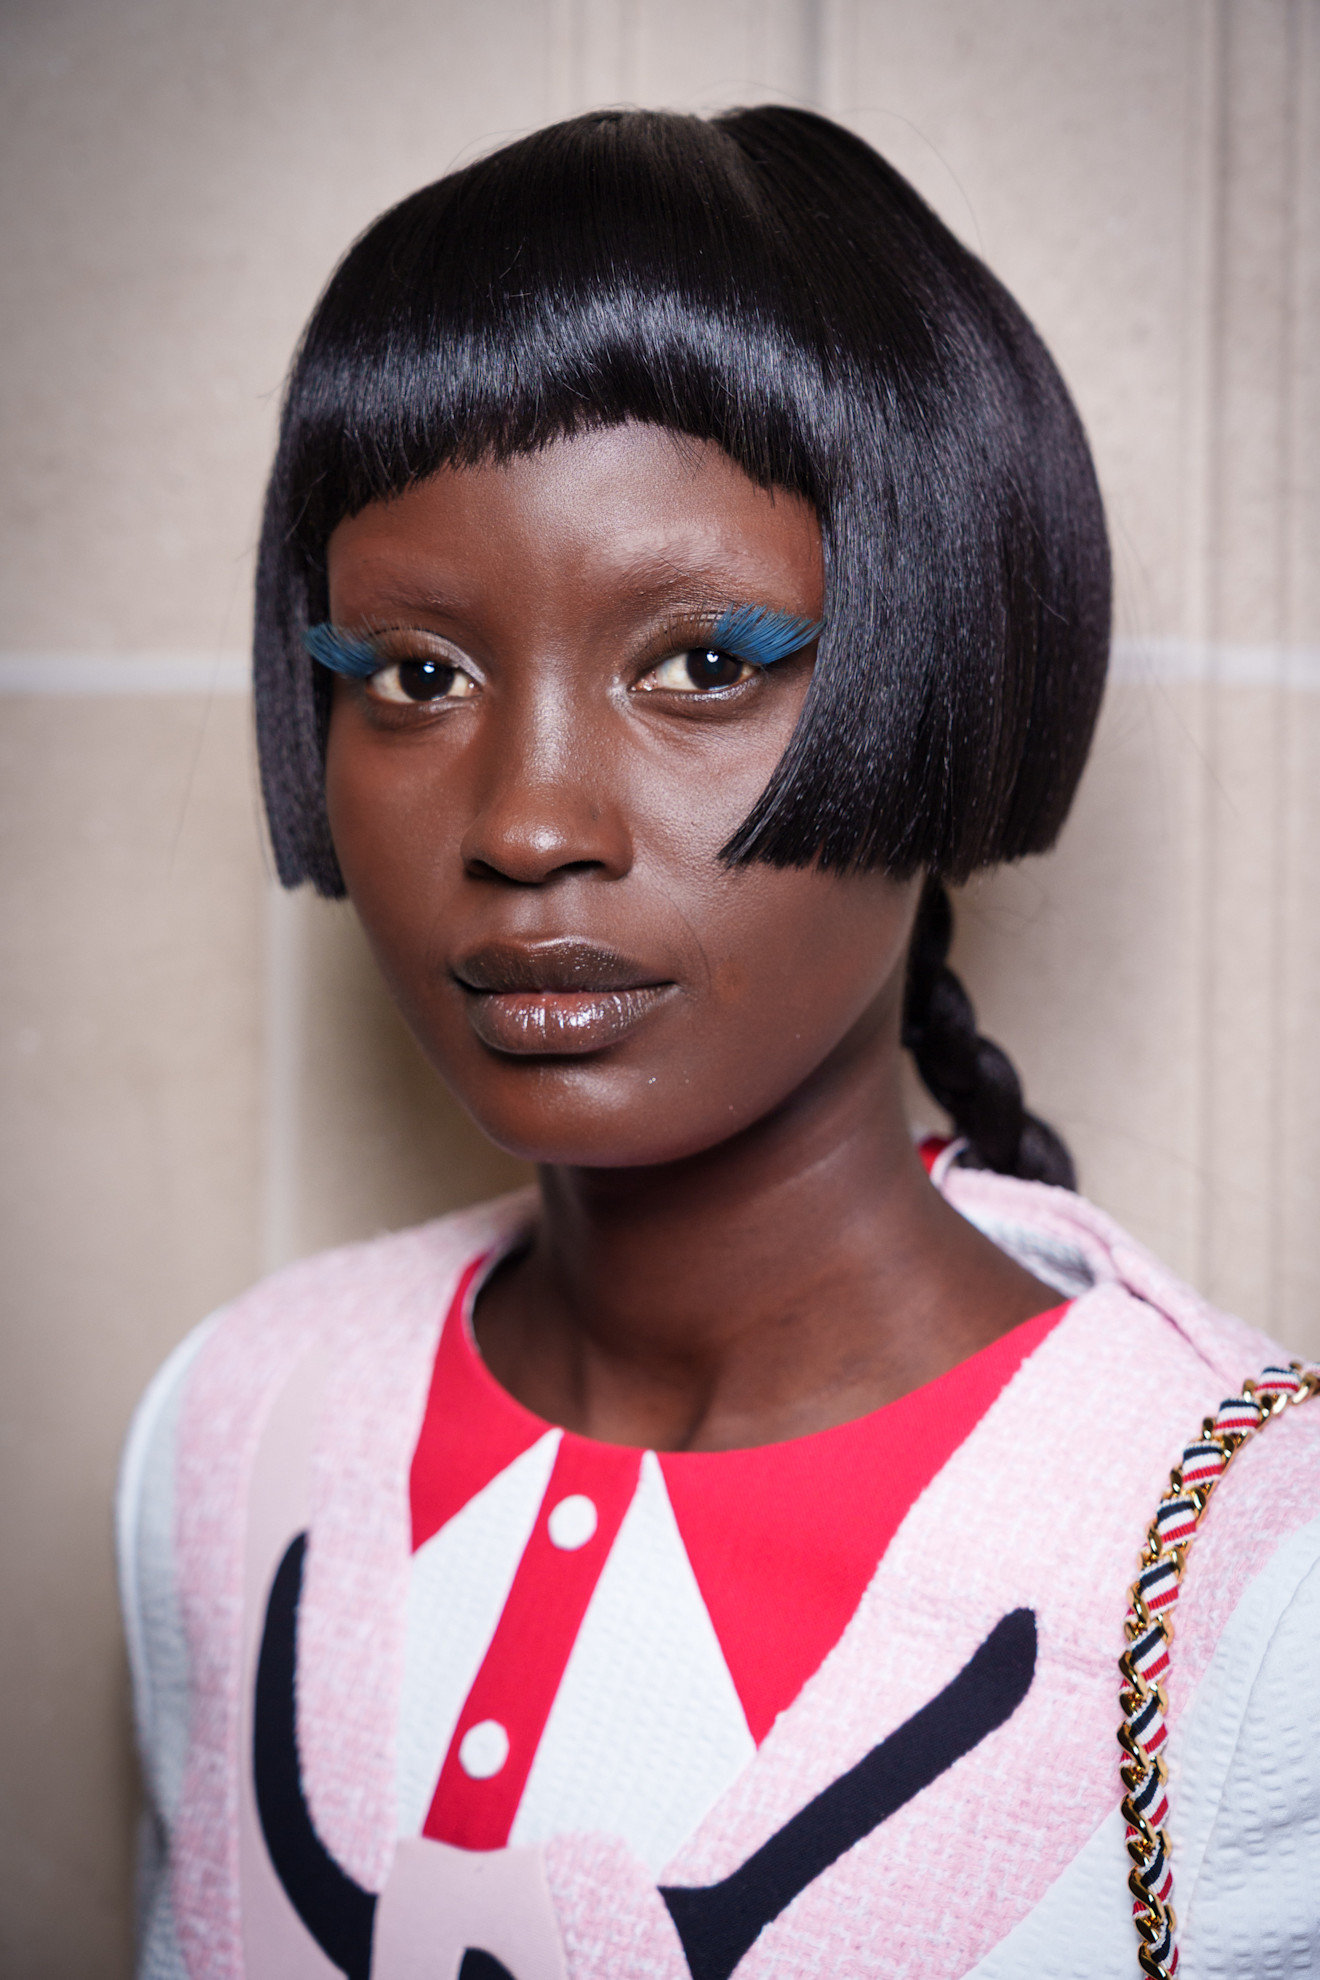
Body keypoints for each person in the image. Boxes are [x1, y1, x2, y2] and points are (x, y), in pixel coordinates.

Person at [117, 107, 1320, 1980]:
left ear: (953, 655)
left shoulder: (1256, 1577)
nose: (526, 821)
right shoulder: (230, 1427)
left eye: (702, 665)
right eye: (415, 677)